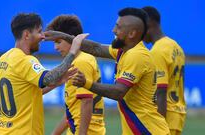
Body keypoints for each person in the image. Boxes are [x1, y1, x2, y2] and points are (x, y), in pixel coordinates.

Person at [44, 7, 170, 135]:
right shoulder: (124, 50)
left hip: (147, 129)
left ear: (132, 34)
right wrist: (64, 36)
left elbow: (118, 92)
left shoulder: (136, 55)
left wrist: (86, 83)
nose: (113, 30)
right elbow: (96, 48)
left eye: (119, 27)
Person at [0, 13, 89, 135]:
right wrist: (73, 50)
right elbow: (48, 78)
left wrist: (57, 82)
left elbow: (26, 92)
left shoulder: (4, 59)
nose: (43, 36)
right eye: (39, 32)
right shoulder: (25, 60)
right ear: (27, 34)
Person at [46, 15, 105, 135]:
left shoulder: (81, 62)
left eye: (58, 42)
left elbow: (87, 102)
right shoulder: (80, 59)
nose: (55, 47)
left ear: (72, 39)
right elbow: (73, 112)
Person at [142, 6, 186, 135]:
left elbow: (161, 90)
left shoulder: (158, 51)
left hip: (166, 116)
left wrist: (158, 125)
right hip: (178, 114)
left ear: (149, 23)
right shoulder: (176, 47)